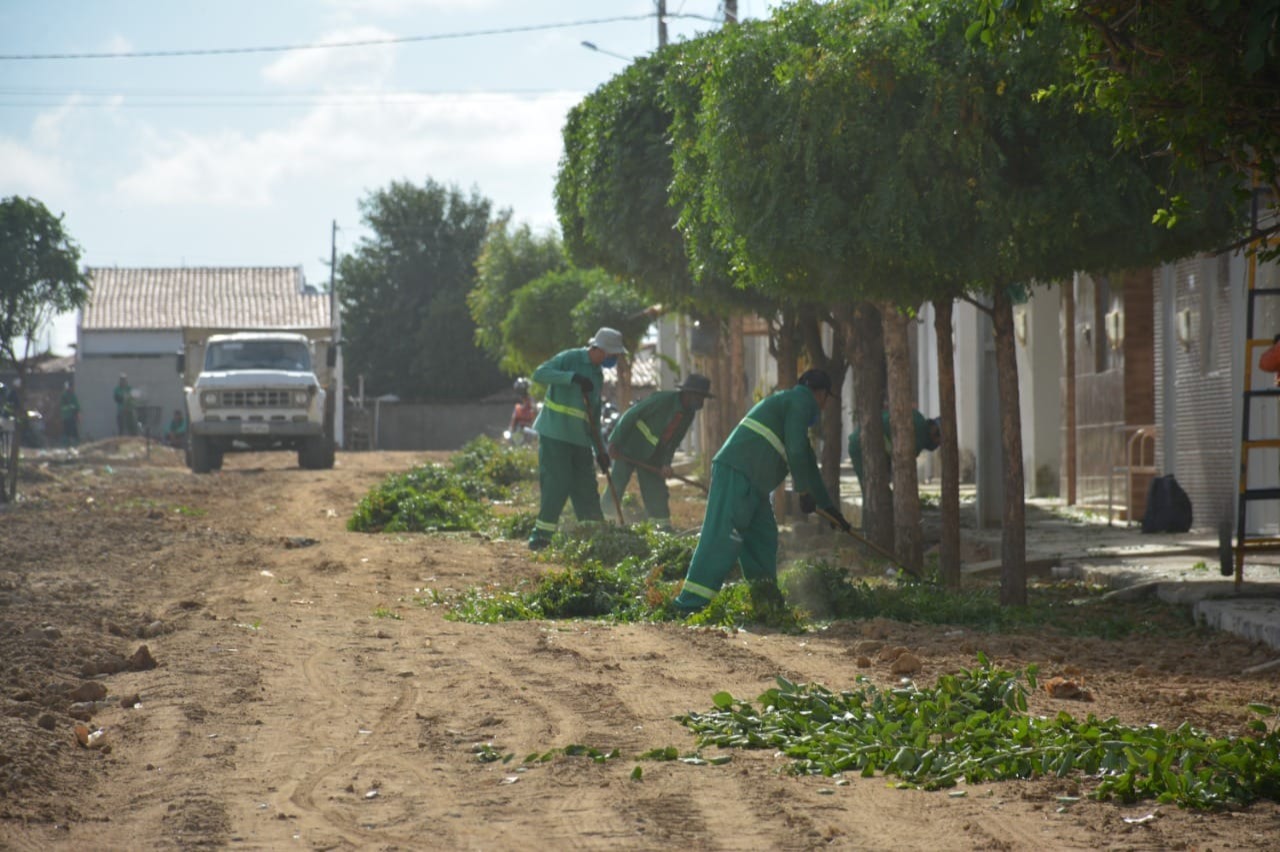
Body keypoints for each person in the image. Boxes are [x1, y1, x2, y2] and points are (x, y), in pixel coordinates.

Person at [672, 369, 851, 613]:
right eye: (825, 400)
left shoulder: (790, 406)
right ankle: (688, 604)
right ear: (821, 394)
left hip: (753, 484)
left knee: (763, 538)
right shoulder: (801, 401)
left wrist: (830, 509)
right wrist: (802, 492)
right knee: (722, 537)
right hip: (738, 473)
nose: (823, 406)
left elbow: (807, 462)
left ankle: (767, 604)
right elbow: (796, 451)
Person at [526, 327, 627, 551]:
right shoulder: (570, 358)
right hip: (555, 434)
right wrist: (571, 377)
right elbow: (539, 374)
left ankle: (594, 535)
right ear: (601, 349)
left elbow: (593, 418)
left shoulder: (597, 376)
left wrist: (601, 451)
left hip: (580, 440)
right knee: (557, 484)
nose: (614, 359)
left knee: (586, 486)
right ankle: (541, 536)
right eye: (614, 355)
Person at [602, 373, 713, 527]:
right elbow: (631, 414)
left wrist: (666, 463)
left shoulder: (689, 414)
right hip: (629, 447)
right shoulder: (662, 400)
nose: (701, 401)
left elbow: (673, 442)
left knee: (656, 493)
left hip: (653, 456)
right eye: (699, 397)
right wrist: (614, 442)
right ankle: (606, 521)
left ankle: (661, 527)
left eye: (703, 398)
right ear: (688, 393)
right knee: (617, 484)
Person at [848, 409, 941, 495]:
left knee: (877, 491)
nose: (937, 445)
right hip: (862, 445)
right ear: (934, 430)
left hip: (860, 440)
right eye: (939, 441)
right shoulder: (921, 436)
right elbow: (903, 466)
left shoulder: (917, 418)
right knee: (874, 492)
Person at [508, 377, 537, 444]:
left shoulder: (532, 404)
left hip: (531, 430)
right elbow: (513, 421)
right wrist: (511, 429)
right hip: (520, 432)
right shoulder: (518, 407)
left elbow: (534, 414)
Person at [59, 382, 81, 446]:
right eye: (70, 387)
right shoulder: (64, 396)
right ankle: (67, 444)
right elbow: (62, 407)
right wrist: (70, 407)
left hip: (72, 416)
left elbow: (77, 406)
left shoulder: (73, 395)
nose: (72, 389)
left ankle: (75, 443)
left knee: (74, 430)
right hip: (66, 417)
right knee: (67, 431)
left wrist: (78, 414)